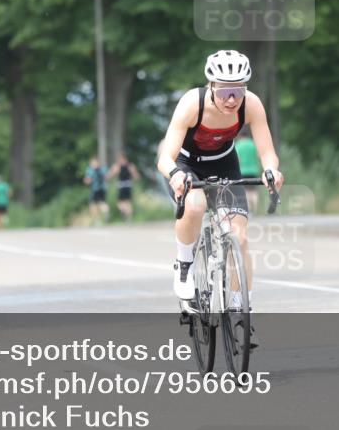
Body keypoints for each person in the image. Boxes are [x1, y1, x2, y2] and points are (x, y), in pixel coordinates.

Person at [156, 50, 283, 311]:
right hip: (186, 164)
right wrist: (175, 175)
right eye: (225, 92)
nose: (232, 99)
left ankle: (239, 307)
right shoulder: (193, 103)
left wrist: (271, 170)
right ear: (211, 86)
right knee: (194, 206)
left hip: (225, 163)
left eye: (239, 90)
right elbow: (165, 157)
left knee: (241, 238)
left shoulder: (252, 104)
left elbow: (268, 153)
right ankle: (184, 264)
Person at [234, 129, 262, 213]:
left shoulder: (238, 145)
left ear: (240, 136)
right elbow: (258, 156)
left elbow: (237, 159)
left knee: (245, 190)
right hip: (253, 170)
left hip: (242, 170)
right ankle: (256, 209)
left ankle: (249, 209)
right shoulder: (252, 144)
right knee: (254, 190)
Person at [107, 153, 141, 221]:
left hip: (121, 186)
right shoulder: (130, 166)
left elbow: (110, 175)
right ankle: (129, 218)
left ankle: (124, 211)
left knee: (120, 203)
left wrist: (107, 178)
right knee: (128, 202)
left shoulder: (117, 166)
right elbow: (136, 176)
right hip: (129, 185)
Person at [84, 158, 110, 223]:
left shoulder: (90, 170)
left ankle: (97, 220)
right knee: (102, 203)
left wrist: (88, 181)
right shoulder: (103, 169)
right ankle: (106, 212)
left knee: (93, 205)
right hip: (103, 188)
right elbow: (107, 178)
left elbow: (87, 180)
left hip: (95, 189)